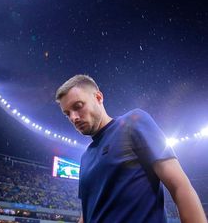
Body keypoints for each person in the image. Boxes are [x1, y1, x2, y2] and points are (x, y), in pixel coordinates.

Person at [55, 74, 207, 223]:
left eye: (78, 106)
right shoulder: (85, 157)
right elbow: (87, 215)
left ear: (98, 97)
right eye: (67, 113)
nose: (73, 117)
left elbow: (179, 186)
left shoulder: (133, 123)